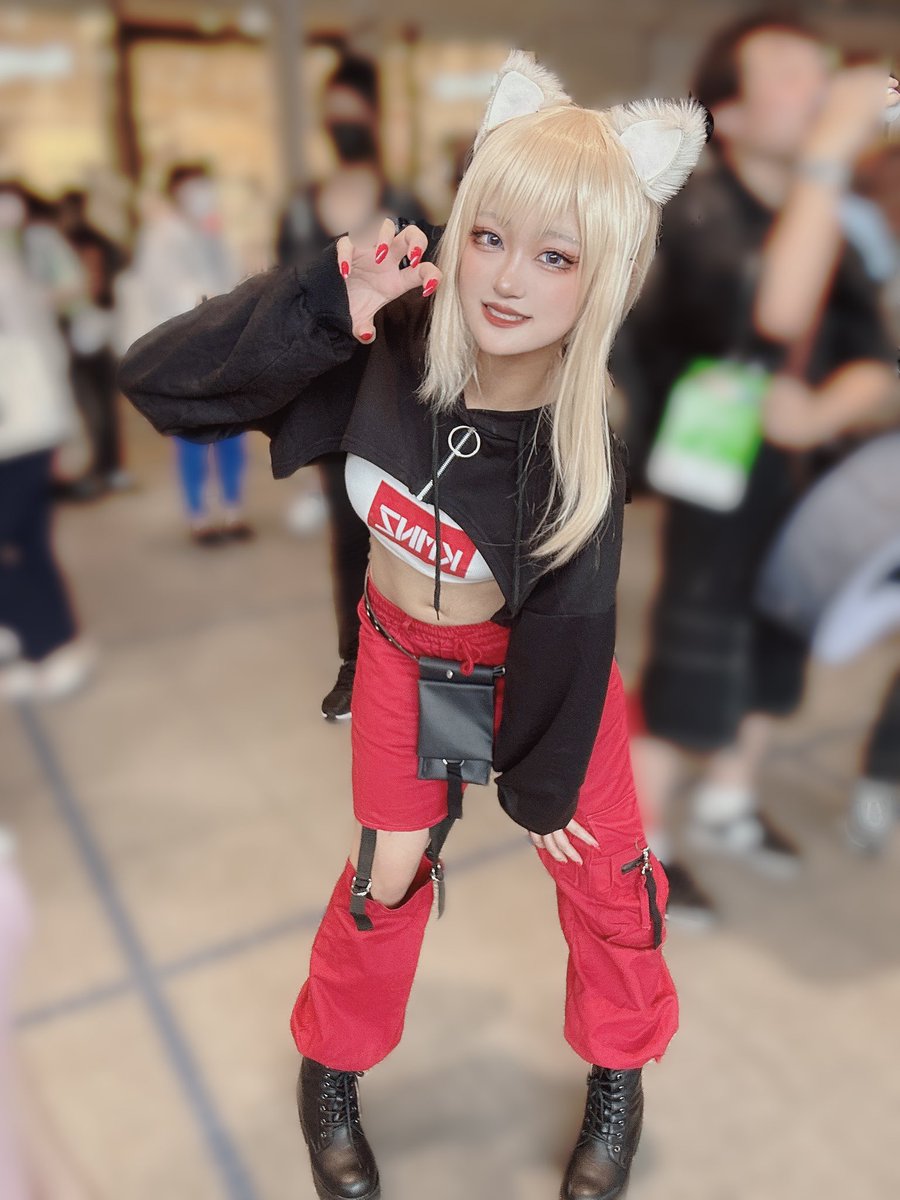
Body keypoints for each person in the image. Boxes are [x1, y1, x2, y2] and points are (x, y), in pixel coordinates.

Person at [119, 51, 707, 1200]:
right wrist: (317, 305)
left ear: (607, 277)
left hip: (544, 672)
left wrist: (541, 790)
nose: (508, 280)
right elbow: (163, 385)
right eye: (489, 237)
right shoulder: (391, 342)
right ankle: (331, 1069)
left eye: (556, 257)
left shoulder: (581, 438)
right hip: (405, 653)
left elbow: (577, 621)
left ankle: (618, 1073)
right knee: (385, 877)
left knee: (605, 875)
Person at [614, 13, 899, 924]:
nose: (814, 83)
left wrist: (826, 408)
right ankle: (642, 851)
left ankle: (730, 802)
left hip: (799, 488)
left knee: (779, 651)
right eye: (783, 71)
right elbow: (774, 312)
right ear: (727, 118)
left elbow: (874, 356)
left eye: (818, 66)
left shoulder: (829, 222)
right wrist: (831, 156)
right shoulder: (691, 215)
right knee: (693, 666)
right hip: (714, 488)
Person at [278, 45, 431, 719]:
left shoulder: (406, 204)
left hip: (398, 393)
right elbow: (281, 299)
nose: (342, 124)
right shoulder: (301, 209)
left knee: (404, 531)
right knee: (348, 534)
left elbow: (430, 294)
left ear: (372, 117)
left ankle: (418, 655)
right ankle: (355, 662)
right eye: (332, 111)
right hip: (330, 398)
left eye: (352, 111)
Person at [0, 181, 94, 702]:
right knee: (26, 538)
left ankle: (50, 642)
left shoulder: (14, 263)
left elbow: (40, 348)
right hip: (23, 425)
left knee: (18, 537)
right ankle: (39, 640)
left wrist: (68, 427)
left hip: (24, 427)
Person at [129, 164, 251, 545]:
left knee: (231, 431)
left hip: (225, 345)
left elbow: (236, 281)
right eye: (193, 189)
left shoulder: (216, 233)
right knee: (192, 435)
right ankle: (199, 516)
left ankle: (233, 509)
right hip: (183, 349)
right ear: (176, 193)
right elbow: (160, 292)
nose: (202, 196)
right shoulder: (161, 237)